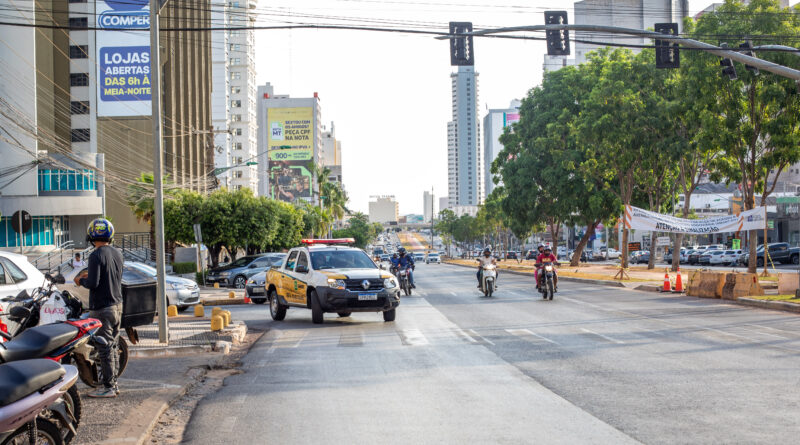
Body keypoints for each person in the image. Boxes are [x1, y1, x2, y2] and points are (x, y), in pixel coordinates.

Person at [74, 218, 124, 398]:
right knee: (113, 345)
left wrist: (81, 281)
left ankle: (108, 387)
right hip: (117, 305)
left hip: (102, 307)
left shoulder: (95, 255)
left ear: (92, 235)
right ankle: (114, 384)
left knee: (104, 348)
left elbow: (93, 283)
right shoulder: (117, 253)